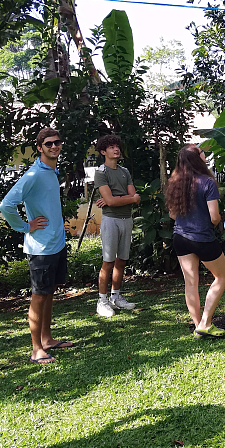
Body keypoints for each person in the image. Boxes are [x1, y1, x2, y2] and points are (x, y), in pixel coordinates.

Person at [0, 127, 74, 365]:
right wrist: (25, 226)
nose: (54, 146)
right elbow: (6, 205)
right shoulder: (34, 175)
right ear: (39, 147)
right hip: (40, 248)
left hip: (56, 244)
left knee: (49, 293)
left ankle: (47, 339)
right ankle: (36, 350)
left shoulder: (51, 171)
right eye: (49, 143)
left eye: (57, 142)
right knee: (38, 296)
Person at [166, 144, 225, 338]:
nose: (204, 154)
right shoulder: (207, 182)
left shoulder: (175, 183)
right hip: (202, 238)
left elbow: (172, 215)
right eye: (201, 152)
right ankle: (205, 322)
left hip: (180, 237)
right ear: (197, 159)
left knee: (190, 282)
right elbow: (215, 217)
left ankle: (197, 325)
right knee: (222, 276)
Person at [93, 134, 140, 317]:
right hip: (110, 220)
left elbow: (135, 197)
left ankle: (116, 297)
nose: (116, 149)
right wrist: (117, 200)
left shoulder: (124, 171)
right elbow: (111, 202)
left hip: (126, 219)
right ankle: (102, 300)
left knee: (122, 260)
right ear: (103, 151)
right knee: (108, 261)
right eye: (111, 147)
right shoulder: (101, 172)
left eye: (117, 146)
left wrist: (115, 199)